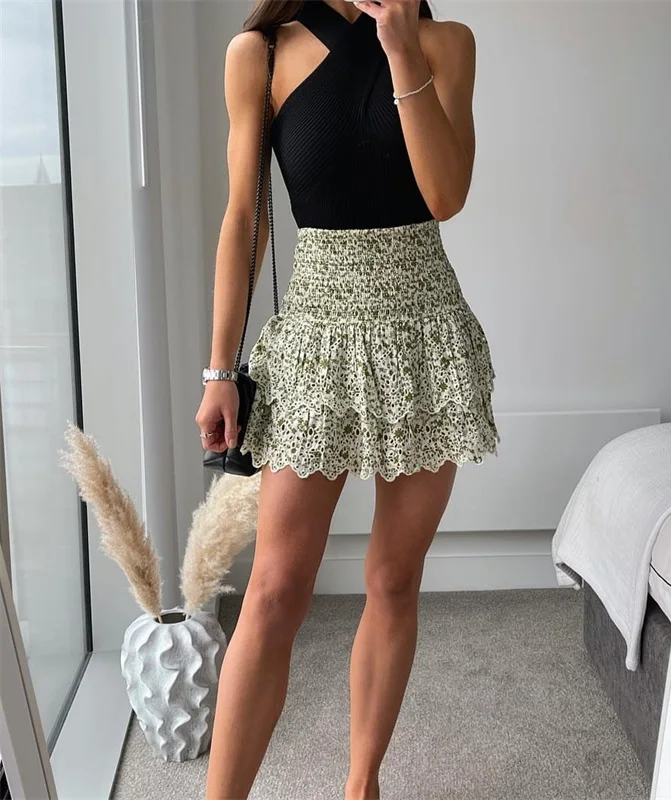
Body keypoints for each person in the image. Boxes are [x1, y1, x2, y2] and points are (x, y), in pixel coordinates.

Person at [196, 1, 498, 797]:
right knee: (274, 591)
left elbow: (445, 195)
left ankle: (362, 785)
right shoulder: (260, 53)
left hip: (425, 337)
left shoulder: (444, 43)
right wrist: (219, 369)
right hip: (316, 339)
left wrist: (400, 49)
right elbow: (244, 217)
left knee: (394, 579)